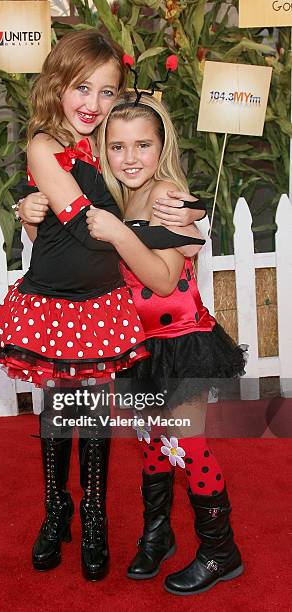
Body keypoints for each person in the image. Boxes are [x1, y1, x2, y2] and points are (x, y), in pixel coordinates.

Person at [0, 31, 205, 581]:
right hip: (54, 307)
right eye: (81, 88)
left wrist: (176, 220)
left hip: (97, 306)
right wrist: (159, 232)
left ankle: (93, 516)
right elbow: (85, 232)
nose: (94, 104)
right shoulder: (43, 144)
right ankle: (56, 509)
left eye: (108, 93)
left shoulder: (105, 153)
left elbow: (130, 200)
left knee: (94, 415)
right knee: (60, 414)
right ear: (56, 87)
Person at [85, 93, 246, 595]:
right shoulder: (122, 196)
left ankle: (221, 551)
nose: (130, 157)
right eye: (118, 146)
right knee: (153, 443)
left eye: (142, 145)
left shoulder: (164, 194)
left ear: (162, 147)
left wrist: (117, 233)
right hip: (141, 345)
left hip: (180, 343)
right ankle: (159, 533)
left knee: (187, 446)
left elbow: (160, 279)